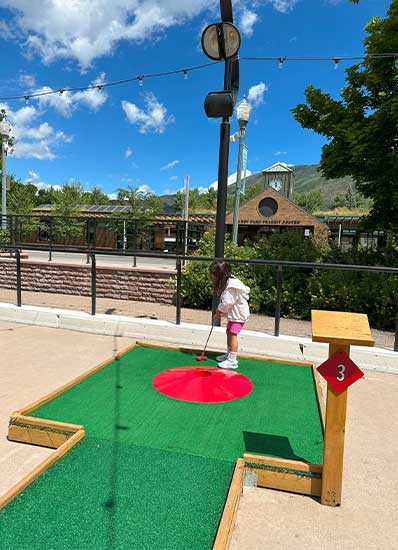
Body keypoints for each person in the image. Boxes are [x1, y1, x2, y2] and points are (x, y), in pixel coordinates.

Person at [209, 260, 250, 369]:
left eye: (213, 275)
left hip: (239, 315)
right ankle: (229, 353)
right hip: (235, 315)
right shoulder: (228, 281)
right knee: (229, 331)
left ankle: (232, 360)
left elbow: (227, 302)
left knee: (232, 334)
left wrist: (218, 313)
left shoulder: (231, 286)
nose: (211, 277)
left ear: (219, 275)